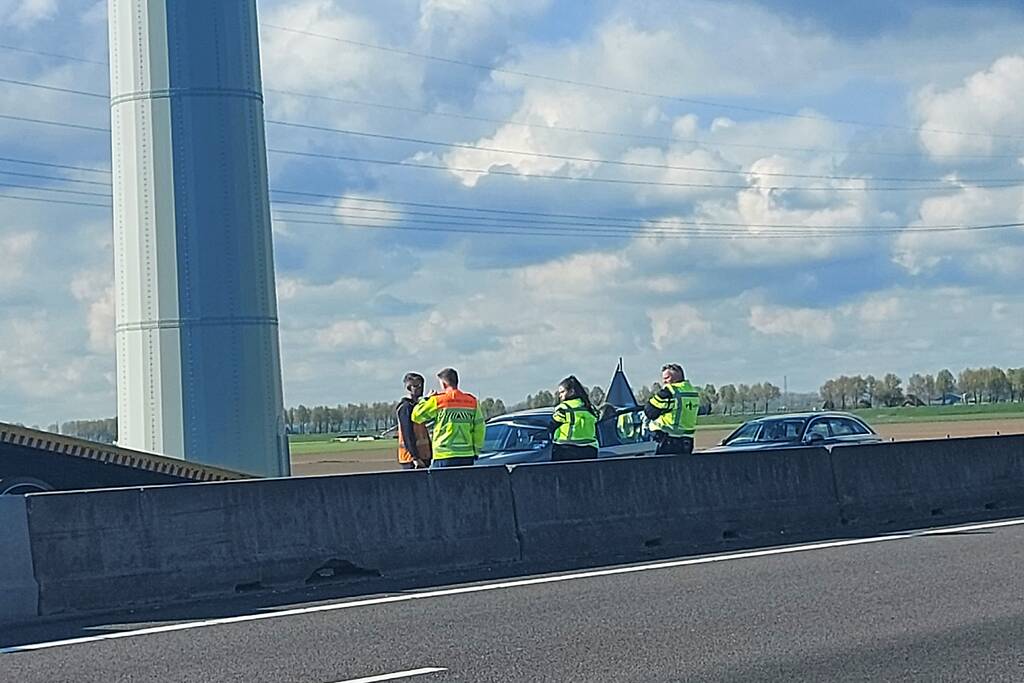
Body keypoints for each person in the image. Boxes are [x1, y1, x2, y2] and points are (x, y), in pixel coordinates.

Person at [412, 368, 485, 468]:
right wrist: (476, 451)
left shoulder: (438, 401)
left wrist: (426, 399)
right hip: (466, 454)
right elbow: (479, 428)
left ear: (444, 384)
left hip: (444, 455)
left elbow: (416, 416)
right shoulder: (472, 401)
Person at [644, 363, 700, 455]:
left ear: (676, 378)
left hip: (667, 440)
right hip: (687, 440)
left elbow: (649, 411)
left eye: (667, 378)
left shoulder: (670, 392)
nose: (664, 382)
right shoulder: (692, 392)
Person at [549, 376, 599, 461]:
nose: (560, 396)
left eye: (562, 392)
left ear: (571, 392)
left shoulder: (563, 409)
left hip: (566, 450)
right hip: (590, 450)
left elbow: (551, 426)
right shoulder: (589, 408)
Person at [396, 372, 432, 469]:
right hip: (411, 459)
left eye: (421, 385)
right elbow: (407, 434)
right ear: (408, 388)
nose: (421, 389)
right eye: (417, 386)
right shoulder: (405, 407)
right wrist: (415, 457)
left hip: (424, 456)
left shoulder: (417, 407)